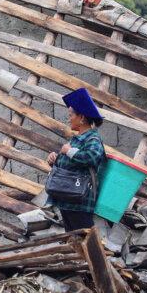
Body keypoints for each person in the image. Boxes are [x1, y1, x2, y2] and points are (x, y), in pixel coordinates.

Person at [46, 88, 106, 231]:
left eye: (71, 114)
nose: (69, 118)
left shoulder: (93, 138)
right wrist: (54, 159)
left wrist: (69, 151)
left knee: (87, 238)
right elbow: (72, 163)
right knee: (73, 239)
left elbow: (92, 157)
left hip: (80, 200)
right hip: (67, 198)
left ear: (82, 118)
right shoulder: (76, 139)